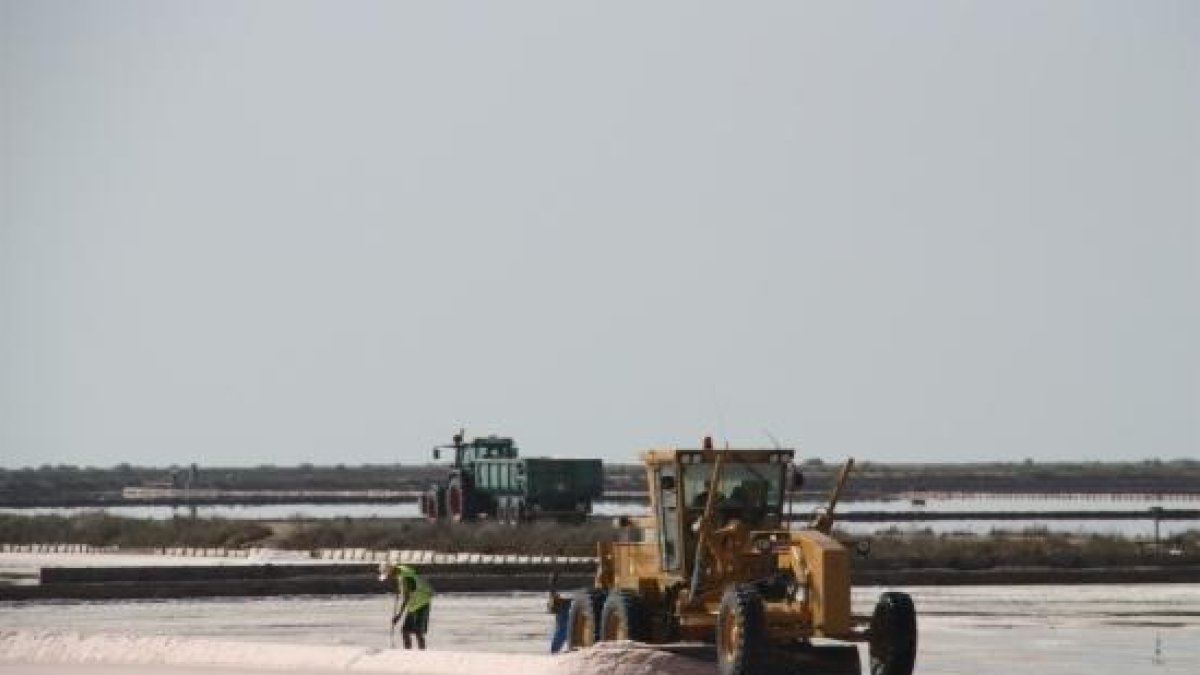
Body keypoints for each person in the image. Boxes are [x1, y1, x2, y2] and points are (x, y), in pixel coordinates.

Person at [378, 562, 435, 649]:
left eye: (388, 576)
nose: (388, 579)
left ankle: (422, 655)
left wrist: (398, 616)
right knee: (405, 631)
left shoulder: (403, 577)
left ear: (391, 572)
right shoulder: (400, 570)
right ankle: (408, 654)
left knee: (418, 632)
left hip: (422, 602)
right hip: (414, 604)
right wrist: (400, 591)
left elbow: (406, 598)